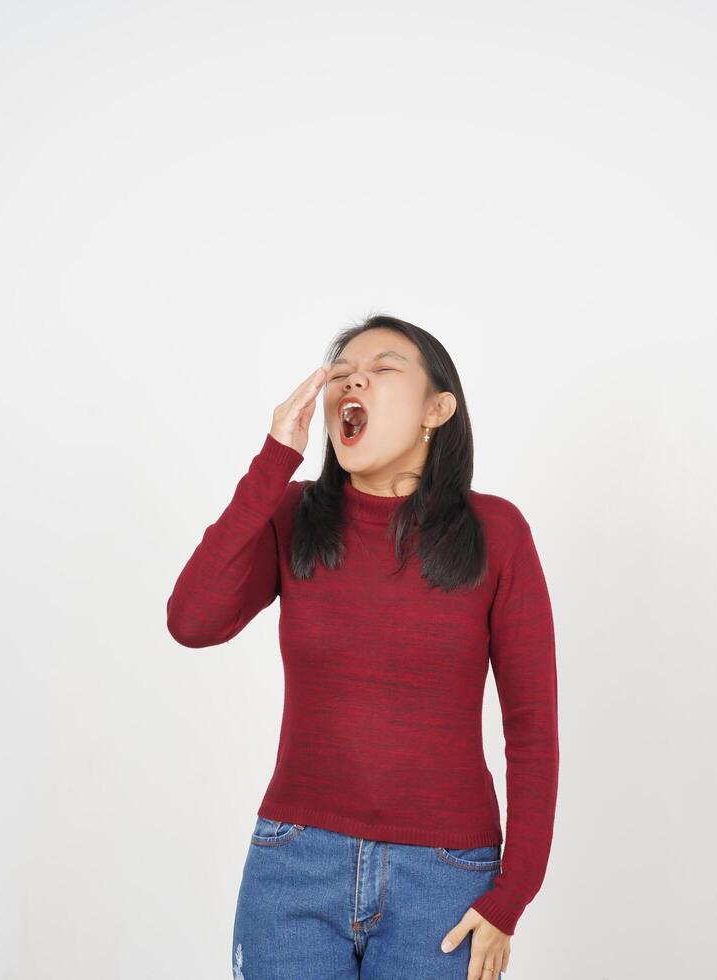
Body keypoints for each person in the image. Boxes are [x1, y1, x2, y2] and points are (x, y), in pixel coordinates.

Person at [167, 315, 559, 980]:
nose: (354, 376)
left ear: (438, 409)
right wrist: (274, 460)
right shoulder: (293, 518)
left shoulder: (498, 533)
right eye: (342, 370)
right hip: (293, 866)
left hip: (444, 879)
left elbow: (531, 731)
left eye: (383, 367)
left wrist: (510, 897)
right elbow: (192, 619)